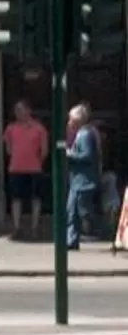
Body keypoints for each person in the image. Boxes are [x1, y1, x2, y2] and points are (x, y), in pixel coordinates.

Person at [2, 101, 49, 239]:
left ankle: (35, 227)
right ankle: (17, 228)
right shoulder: (10, 129)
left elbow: (44, 150)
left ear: (29, 111)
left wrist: (37, 161)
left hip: (34, 169)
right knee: (16, 199)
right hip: (15, 168)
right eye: (16, 110)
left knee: (35, 198)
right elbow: (8, 149)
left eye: (20, 109)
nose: (18, 113)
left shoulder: (39, 129)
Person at [65, 105, 102, 250]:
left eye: (71, 118)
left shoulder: (85, 134)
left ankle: (96, 231)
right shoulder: (81, 132)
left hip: (83, 181)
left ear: (78, 119)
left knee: (83, 211)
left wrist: (70, 154)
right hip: (77, 181)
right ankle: (71, 240)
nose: (69, 121)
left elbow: (87, 156)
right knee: (72, 211)